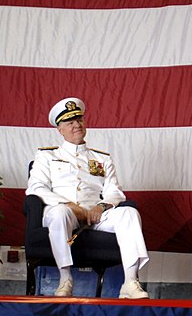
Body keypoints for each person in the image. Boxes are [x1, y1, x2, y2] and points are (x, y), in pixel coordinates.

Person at [26, 97, 150, 299]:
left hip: (95, 215)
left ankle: (130, 281)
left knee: (129, 213)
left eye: (79, 120)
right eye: (69, 122)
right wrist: (72, 207)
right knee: (59, 212)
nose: (76, 125)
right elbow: (36, 187)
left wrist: (100, 207)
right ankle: (65, 279)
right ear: (60, 129)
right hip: (65, 212)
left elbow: (114, 191)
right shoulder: (46, 156)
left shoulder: (102, 158)